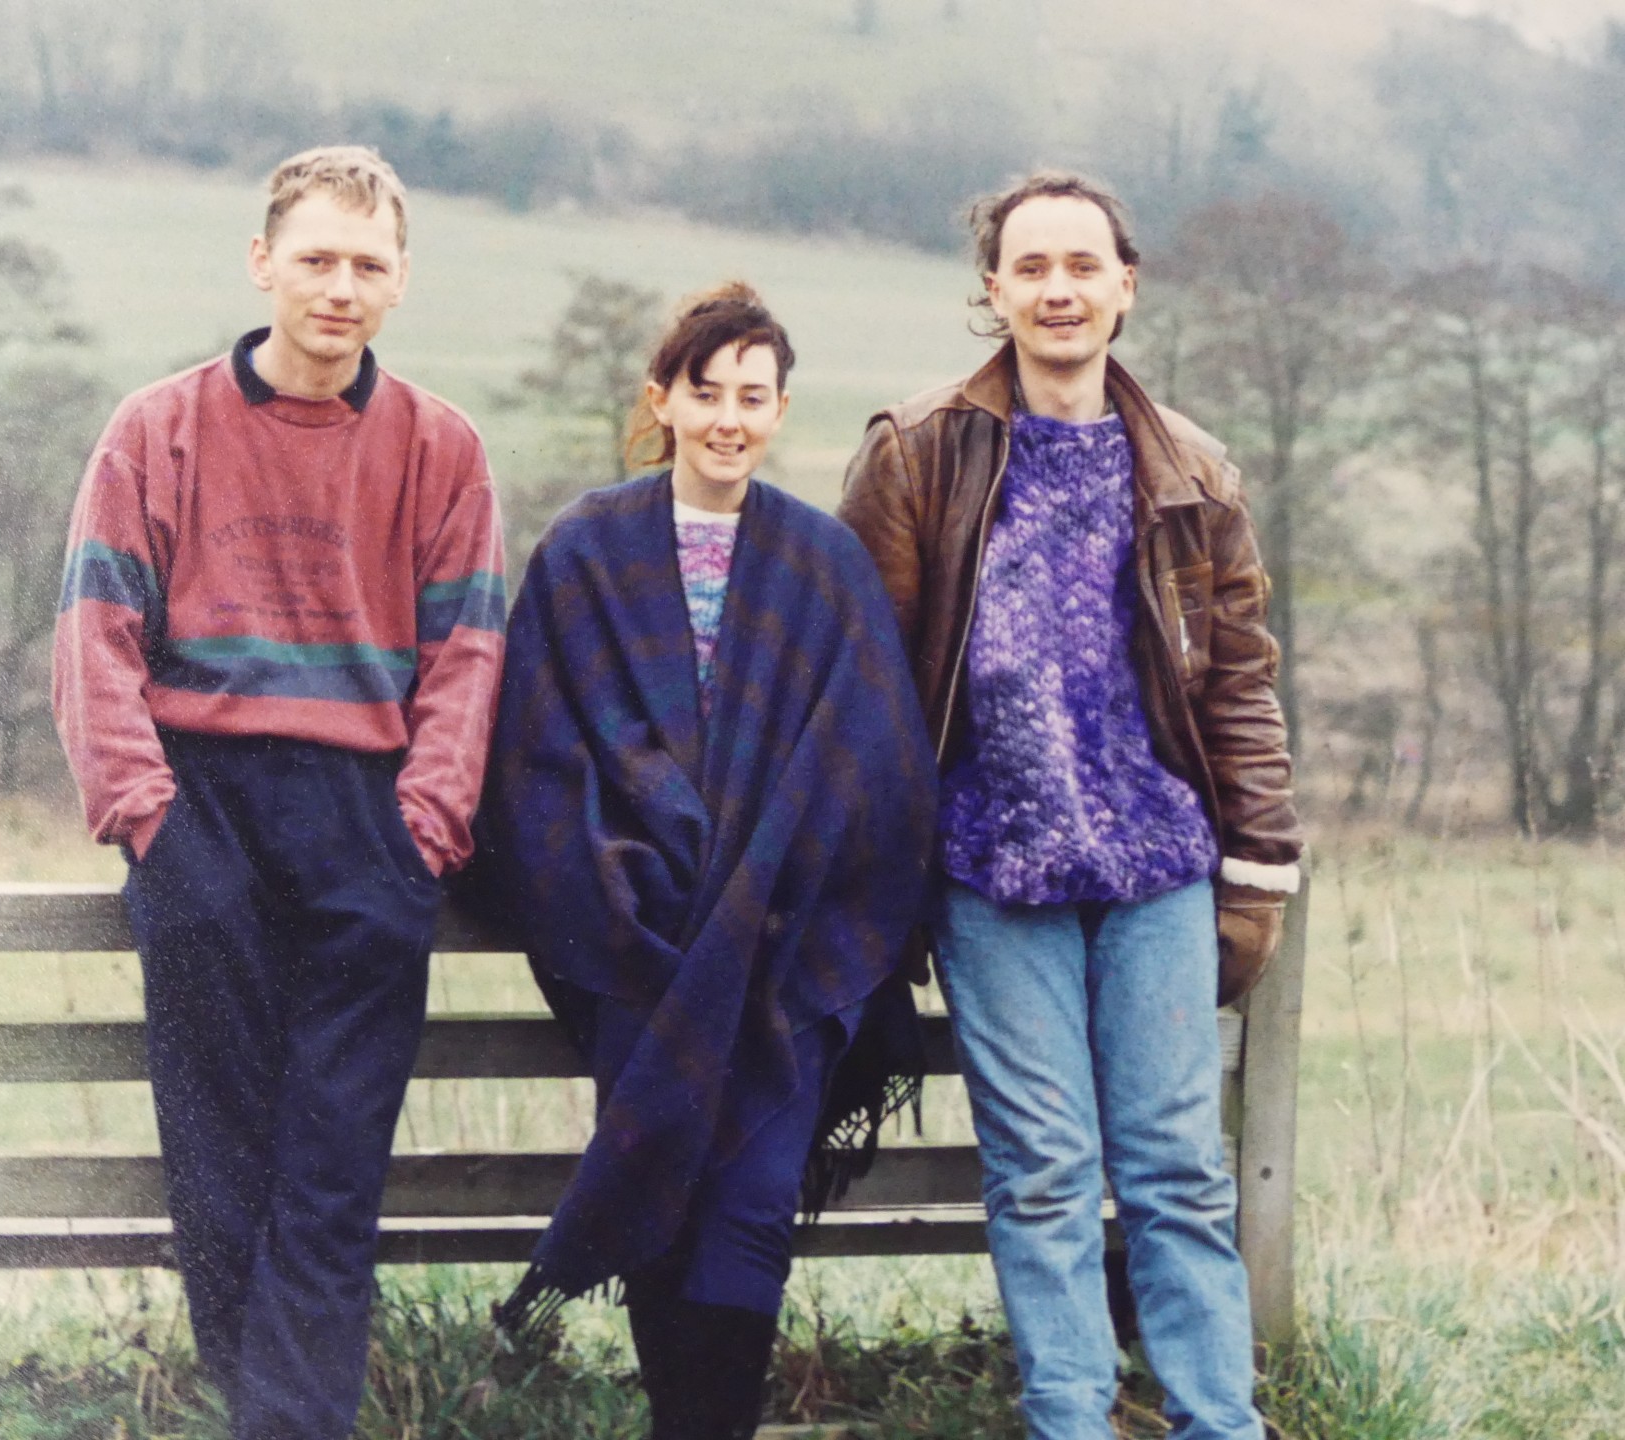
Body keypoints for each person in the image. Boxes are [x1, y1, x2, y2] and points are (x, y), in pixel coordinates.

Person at [838, 170, 1304, 1440]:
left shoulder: (1194, 471)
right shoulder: (917, 451)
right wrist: (880, 879)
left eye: (1082, 266)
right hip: (994, 873)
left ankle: (1221, 1422)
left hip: (1157, 867)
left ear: (1125, 286)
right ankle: (1070, 1419)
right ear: (992, 290)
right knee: (1042, 1175)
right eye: (1031, 267)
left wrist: (1258, 864)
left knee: (1176, 1175)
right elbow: (867, 687)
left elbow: (1242, 686)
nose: (1059, 290)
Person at [51, 145, 505, 1439]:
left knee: (332, 1162)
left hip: (368, 810)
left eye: (368, 265)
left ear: (402, 279)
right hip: (203, 803)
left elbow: (471, 658)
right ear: (263, 263)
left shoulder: (443, 449)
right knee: (221, 1152)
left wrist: (424, 831)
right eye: (316, 257)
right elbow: (95, 639)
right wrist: (150, 818)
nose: (340, 287)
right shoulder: (158, 430)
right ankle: (266, 1417)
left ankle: (288, 1425)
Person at [479, 284, 938, 1440]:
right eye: (706, 392)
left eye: (753, 396)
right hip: (638, 943)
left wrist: (768, 879)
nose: (729, 418)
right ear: (663, 400)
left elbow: (869, 763)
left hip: (784, 951)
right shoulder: (588, 549)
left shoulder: (822, 563)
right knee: (660, 1184)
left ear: (781, 409)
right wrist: (638, 865)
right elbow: (543, 750)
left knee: (752, 1195)